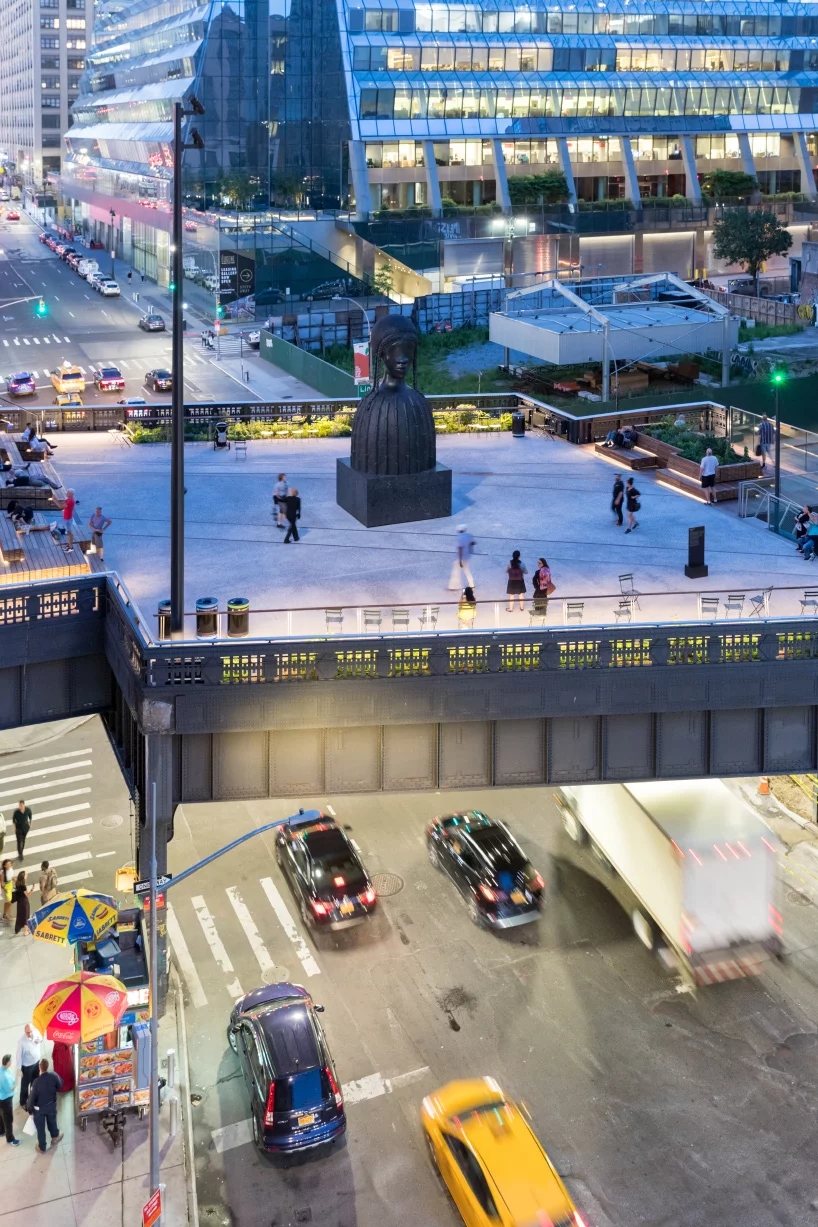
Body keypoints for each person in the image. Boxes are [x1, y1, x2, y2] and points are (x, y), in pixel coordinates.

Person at [27, 1058, 63, 1154]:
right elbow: (60, 1085)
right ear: (47, 1066)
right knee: (52, 1122)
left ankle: (42, 1147)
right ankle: (55, 1138)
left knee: (40, 1128)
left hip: (39, 1110)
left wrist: (30, 1110)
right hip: (51, 1105)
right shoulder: (54, 1075)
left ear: (40, 1068)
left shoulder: (36, 1082)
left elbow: (31, 1099)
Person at [16, 1025, 41, 1109]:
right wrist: (19, 1069)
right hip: (27, 1066)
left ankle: (33, 1098)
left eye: (30, 1032)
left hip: (36, 1063)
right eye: (27, 1032)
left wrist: (39, 1040)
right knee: (25, 1085)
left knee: (35, 1082)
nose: (30, 1034)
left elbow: (40, 1038)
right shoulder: (22, 1042)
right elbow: (19, 1056)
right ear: (24, 1031)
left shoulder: (35, 1033)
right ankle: (23, 1102)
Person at [449, 525, 476, 590]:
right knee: (467, 571)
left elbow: (460, 549)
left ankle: (453, 586)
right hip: (468, 556)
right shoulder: (469, 535)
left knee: (456, 571)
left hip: (462, 558)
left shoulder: (459, 538)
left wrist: (460, 560)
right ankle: (472, 584)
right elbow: (473, 543)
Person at [0, 1054, 18, 1145]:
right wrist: (17, 1081)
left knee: (1, 1116)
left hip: (1, 1098)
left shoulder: (2, 1069)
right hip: (6, 1100)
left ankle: (1, 1131)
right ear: (7, 1063)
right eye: (10, 1061)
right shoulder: (4, 1076)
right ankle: (10, 1139)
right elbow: (9, 1089)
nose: (12, 1062)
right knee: (8, 1119)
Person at [12, 870, 31, 935]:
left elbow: (14, 879)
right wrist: (32, 890)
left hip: (19, 902)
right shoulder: (23, 886)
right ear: (23, 877)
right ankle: (26, 931)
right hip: (24, 902)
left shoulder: (17, 883)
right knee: (26, 915)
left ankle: (18, 928)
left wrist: (15, 878)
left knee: (20, 915)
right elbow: (27, 895)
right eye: (26, 874)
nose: (27, 874)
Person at [62, 488, 76, 552]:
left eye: (67, 492)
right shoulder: (69, 499)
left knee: (69, 533)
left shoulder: (70, 501)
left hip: (68, 519)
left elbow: (60, 506)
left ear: (71, 494)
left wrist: (55, 500)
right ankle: (69, 544)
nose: (66, 493)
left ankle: (70, 547)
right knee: (68, 532)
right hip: (67, 518)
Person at [1, 859, 13, 924]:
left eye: (10, 864)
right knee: (9, 901)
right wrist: (5, 889)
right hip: (6, 888)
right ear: (5, 866)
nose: (9, 865)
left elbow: (12, 877)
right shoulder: (3, 874)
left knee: (8, 902)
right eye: (8, 864)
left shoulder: (11, 869)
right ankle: (6, 915)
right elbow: (2, 883)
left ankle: (5, 914)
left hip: (10, 886)